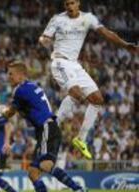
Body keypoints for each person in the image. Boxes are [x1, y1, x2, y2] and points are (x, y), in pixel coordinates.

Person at [39, 0, 138, 159]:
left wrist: (126, 45)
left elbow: (107, 33)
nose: (69, 6)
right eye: (66, 4)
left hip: (75, 65)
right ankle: (52, 126)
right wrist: (44, 41)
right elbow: (44, 38)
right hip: (60, 62)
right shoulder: (57, 19)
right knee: (76, 94)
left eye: (72, 3)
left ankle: (81, 138)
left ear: (78, 3)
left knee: (97, 99)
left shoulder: (88, 18)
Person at [1, 62, 87, 192]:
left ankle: (78, 188)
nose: (8, 76)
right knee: (33, 172)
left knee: (44, 165)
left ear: (20, 74)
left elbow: (11, 112)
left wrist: (3, 113)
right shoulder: (32, 86)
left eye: (11, 73)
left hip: (46, 127)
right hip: (49, 128)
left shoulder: (19, 90)